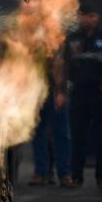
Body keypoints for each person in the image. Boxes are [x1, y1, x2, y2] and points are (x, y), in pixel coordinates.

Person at [65, 2, 102, 189]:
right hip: (78, 93)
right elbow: (63, 65)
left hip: (99, 93)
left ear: (96, 17)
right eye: (86, 15)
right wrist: (61, 90)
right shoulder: (72, 38)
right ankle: (76, 176)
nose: (90, 19)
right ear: (80, 17)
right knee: (77, 137)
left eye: (93, 15)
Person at [29, 51, 74, 188]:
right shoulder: (33, 42)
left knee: (61, 135)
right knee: (39, 135)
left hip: (55, 94)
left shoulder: (57, 40)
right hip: (38, 94)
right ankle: (41, 173)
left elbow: (62, 67)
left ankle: (64, 174)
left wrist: (61, 92)